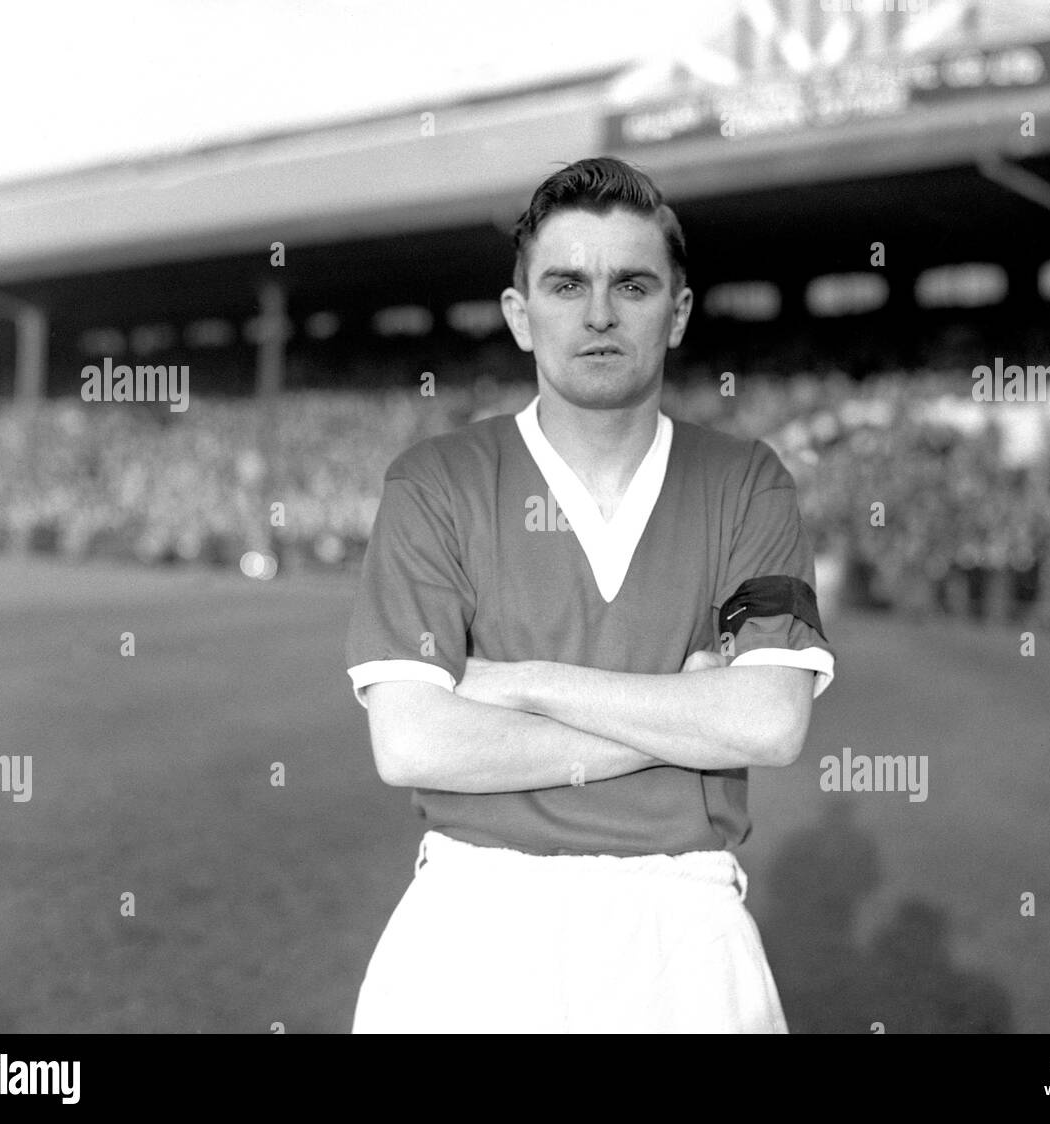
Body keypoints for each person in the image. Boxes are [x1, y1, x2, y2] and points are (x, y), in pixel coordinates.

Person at [345, 156, 835, 1033]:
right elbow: (412, 742)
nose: (599, 313)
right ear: (520, 315)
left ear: (677, 312)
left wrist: (528, 680)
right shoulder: (436, 480)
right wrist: (687, 711)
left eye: (633, 285)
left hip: (684, 924)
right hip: (472, 918)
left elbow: (770, 723)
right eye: (566, 284)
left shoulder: (746, 482)